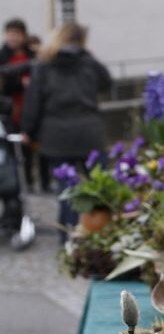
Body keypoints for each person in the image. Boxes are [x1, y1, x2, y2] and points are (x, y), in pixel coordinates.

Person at [22, 22, 112, 235]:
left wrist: (28, 131)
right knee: (99, 189)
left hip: (57, 136)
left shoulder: (44, 65)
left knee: (66, 191)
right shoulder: (88, 62)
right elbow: (107, 83)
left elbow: (34, 102)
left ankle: (69, 236)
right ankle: (100, 235)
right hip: (90, 132)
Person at [0, 18, 42, 190]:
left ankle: (34, 181)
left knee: (31, 145)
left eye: (17, 34)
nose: (13, 38)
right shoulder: (3, 56)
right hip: (11, 108)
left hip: (30, 106)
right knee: (12, 148)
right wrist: (19, 83)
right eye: (10, 34)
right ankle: (15, 183)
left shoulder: (32, 55)